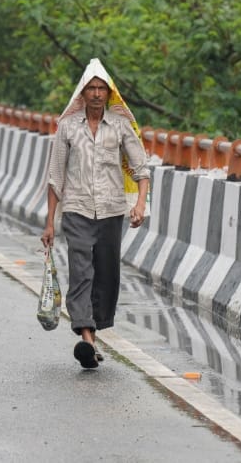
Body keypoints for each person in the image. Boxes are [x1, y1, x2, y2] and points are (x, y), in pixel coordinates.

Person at [41, 58, 149, 369]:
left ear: (109, 94)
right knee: (81, 270)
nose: (98, 94)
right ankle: (86, 337)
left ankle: (94, 330)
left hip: (112, 211)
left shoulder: (120, 125)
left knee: (106, 274)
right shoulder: (68, 127)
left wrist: (139, 204)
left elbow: (141, 169)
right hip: (76, 209)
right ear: (83, 93)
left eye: (102, 89)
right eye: (92, 89)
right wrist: (50, 222)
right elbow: (55, 176)